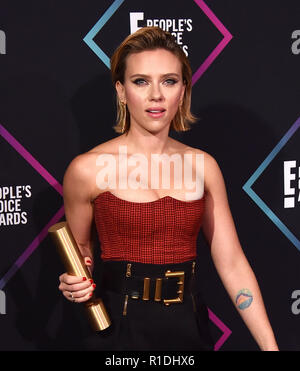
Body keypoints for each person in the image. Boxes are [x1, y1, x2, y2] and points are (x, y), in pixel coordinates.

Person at [58, 27, 278, 351]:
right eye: (141, 81)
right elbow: (80, 249)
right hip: (117, 329)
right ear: (121, 91)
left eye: (169, 81)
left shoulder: (203, 166)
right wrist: (76, 279)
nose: (156, 95)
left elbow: (231, 262)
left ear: (183, 90)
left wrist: (270, 347)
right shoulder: (86, 169)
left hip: (188, 327)